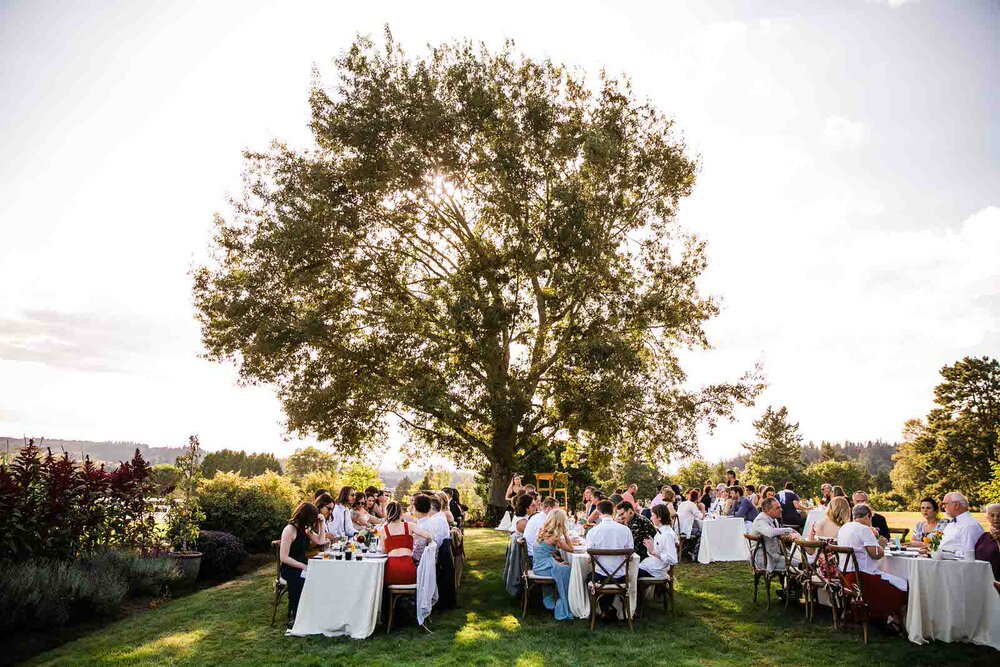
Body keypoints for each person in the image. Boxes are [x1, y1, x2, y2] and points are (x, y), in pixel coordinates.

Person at [837, 504, 907, 629]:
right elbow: (876, 555)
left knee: (895, 580)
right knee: (903, 585)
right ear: (867, 516)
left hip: (845, 576)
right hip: (862, 578)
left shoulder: (844, 528)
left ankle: (885, 619)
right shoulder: (864, 529)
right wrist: (881, 545)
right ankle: (892, 620)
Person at [279, 502, 326, 627]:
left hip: (303, 564)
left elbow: (321, 541)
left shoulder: (304, 529)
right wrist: (302, 566)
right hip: (290, 567)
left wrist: (322, 523)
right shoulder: (290, 530)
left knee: (321, 576)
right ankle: (297, 614)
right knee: (299, 579)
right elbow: (283, 557)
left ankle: (316, 611)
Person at [586, 500, 634, 619]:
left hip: (600, 578)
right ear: (613, 512)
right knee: (610, 576)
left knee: (589, 577)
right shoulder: (625, 530)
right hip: (621, 578)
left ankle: (600, 610)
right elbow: (631, 557)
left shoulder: (593, 532)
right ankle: (608, 609)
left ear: (599, 513)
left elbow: (588, 560)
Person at [531, 509, 576, 621]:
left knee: (564, 566)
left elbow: (545, 551)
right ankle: (565, 605)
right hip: (544, 567)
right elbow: (571, 549)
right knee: (570, 570)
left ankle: (551, 600)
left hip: (538, 565)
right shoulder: (555, 537)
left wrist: (558, 562)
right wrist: (566, 534)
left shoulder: (543, 531)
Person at [381, 501, 435, 586]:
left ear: (387, 514)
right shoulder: (410, 525)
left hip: (392, 569)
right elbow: (428, 536)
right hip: (408, 568)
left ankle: (391, 599)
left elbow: (383, 550)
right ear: (401, 513)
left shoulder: (384, 529)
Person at [750, 497, 799, 573]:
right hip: (765, 561)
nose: (781, 510)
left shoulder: (773, 519)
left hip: (775, 557)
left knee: (801, 563)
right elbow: (771, 532)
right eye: (777, 508)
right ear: (768, 510)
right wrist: (790, 530)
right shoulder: (760, 520)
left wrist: (790, 555)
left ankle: (789, 584)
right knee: (800, 565)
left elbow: (778, 539)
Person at [938, 492, 985, 556]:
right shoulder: (953, 523)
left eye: (945, 504)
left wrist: (946, 553)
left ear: (956, 505)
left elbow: (969, 554)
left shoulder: (970, 526)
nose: (943, 507)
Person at [638, 504, 678, 579]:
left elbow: (673, 560)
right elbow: (660, 551)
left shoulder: (667, 535)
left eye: (653, 515)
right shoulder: (661, 532)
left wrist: (653, 551)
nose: (650, 518)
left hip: (654, 571)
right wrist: (651, 547)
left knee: (627, 573)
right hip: (649, 567)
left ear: (659, 517)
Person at [524, 496, 558, 563]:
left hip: (535, 553)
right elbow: (544, 540)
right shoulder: (541, 520)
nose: (557, 513)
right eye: (556, 510)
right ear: (548, 508)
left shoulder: (540, 517)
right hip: (534, 557)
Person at [974, 504, 1000, 581]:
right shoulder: (984, 537)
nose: (996, 518)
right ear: (987, 517)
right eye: (992, 515)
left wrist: (998, 540)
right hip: (982, 580)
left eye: (999, 515)